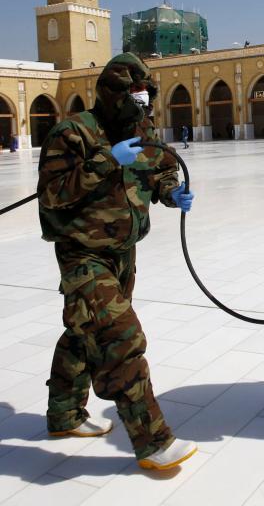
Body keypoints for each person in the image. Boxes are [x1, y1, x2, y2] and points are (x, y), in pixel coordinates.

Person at [37, 53, 197, 470]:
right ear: (113, 93)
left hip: (124, 253)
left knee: (83, 332)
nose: (141, 102)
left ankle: (65, 415)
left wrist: (170, 193)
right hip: (82, 254)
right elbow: (54, 194)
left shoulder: (142, 131)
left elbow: (160, 170)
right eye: (133, 93)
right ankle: (154, 442)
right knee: (119, 338)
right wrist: (108, 160)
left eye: (146, 94)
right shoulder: (73, 133)